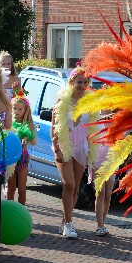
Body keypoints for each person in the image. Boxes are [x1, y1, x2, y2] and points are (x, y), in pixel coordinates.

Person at [51, 67, 89, 239]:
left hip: (81, 147)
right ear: (71, 82)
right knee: (69, 184)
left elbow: (99, 120)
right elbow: (54, 126)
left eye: (85, 82)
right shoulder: (62, 99)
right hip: (64, 145)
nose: (82, 85)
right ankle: (69, 224)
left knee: (75, 188)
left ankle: (65, 219)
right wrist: (57, 148)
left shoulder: (90, 102)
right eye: (78, 82)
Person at [6, 92, 35, 205]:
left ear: (25, 110)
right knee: (11, 187)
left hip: (22, 157)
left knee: (22, 189)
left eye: (20, 109)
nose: (17, 111)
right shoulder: (9, 124)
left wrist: (26, 140)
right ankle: (9, 210)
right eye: (15, 108)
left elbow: (33, 140)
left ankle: (21, 210)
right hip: (11, 157)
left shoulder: (28, 125)